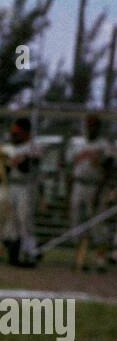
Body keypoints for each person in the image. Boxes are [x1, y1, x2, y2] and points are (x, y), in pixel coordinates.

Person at [0, 117, 41, 268]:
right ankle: (12, 254)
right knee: (9, 221)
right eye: (13, 133)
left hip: (24, 186)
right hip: (7, 185)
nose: (14, 136)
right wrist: (6, 165)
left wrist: (18, 161)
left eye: (18, 133)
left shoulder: (33, 147)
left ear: (26, 133)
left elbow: (27, 168)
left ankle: (29, 253)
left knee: (24, 220)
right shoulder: (5, 148)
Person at [66, 114, 113, 272]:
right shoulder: (76, 143)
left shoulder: (104, 145)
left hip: (95, 185)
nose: (90, 128)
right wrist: (69, 190)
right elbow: (69, 168)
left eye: (93, 125)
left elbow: (109, 170)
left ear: (98, 127)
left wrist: (100, 191)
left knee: (98, 222)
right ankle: (80, 258)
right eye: (88, 125)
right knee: (77, 221)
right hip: (78, 184)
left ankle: (100, 260)